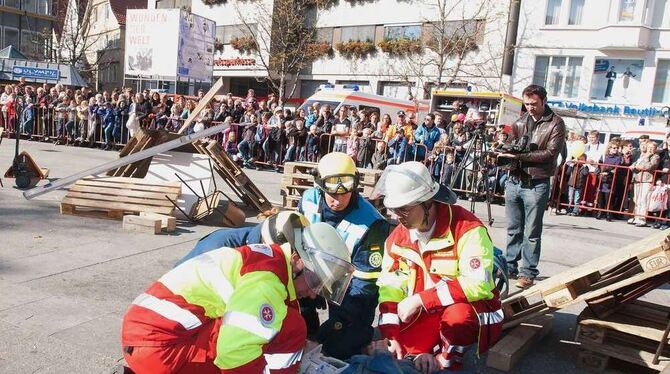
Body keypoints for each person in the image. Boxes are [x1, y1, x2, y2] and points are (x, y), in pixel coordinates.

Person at [121, 222, 354, 374]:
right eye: (314, 282)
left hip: (152, 338)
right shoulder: (266, 281)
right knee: (290, 327)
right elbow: (233, 352)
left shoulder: (269, 262)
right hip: (160, 349)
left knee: (280, 323)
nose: (313, 293)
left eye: (321, 287)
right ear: (296, 259)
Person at [372, 161, 502, 372]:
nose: (397, 217)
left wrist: (420, 299)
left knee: (458, 318)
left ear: (427, 202)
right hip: (427, 312)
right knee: (397, 347)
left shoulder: (466, 229)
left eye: (403, 210)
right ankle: (422, 353)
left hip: (467, 312)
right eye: (394, 210)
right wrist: (390, 334)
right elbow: (390, 286)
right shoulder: (398, 238)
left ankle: (448, 361)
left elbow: (478, 285)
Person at [298, 152, 390, 360]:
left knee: (341, 346)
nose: (338, 200)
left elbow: (364, 287)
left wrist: (324, 336)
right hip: (311, 276)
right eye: (331, 193)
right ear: (319, 185)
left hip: (351, 292)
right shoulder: (307, 200)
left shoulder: (372, 223)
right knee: (293, 325)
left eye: (344, 192)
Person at [497, 84, 566, 289]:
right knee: (513, 228)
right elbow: (509, 146)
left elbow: (550, 154)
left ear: (543, 101)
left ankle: (528, 272)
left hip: (537, 183)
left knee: (532, 232)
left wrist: (518, 155)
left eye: (534, 104)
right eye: (526, 104)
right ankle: (510, 266)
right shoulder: (520, 122)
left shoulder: (556, 124)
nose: (530, 107)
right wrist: (502, 152)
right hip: (515, 181)